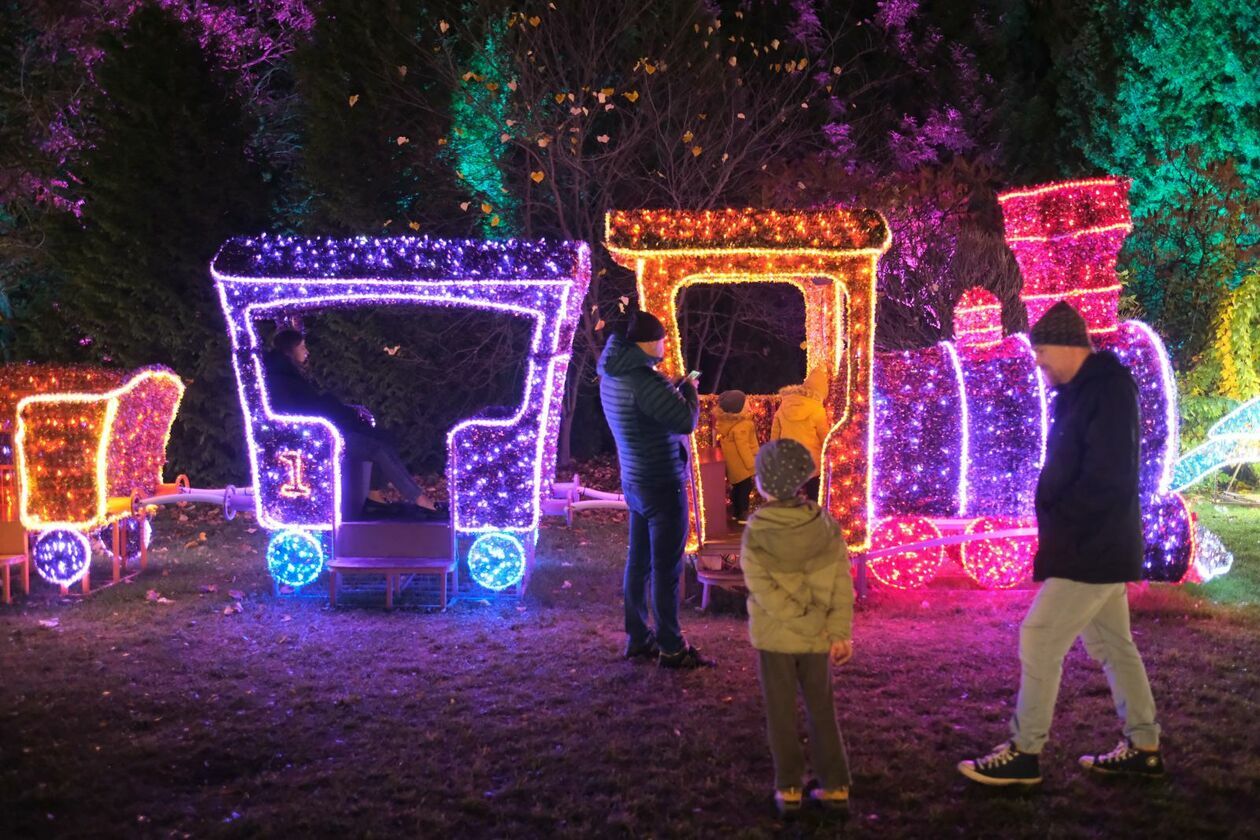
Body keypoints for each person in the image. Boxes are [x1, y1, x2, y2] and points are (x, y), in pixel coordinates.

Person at [957, 301, 1165, 786]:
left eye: (1042, 350)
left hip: (1092, 546)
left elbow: (1107, 476)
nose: (1038, 361)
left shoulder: (1107, 392)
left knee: (1040, 637)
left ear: (1068, 346)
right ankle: (1144, 746)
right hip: (1094, 543)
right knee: (1114, 645)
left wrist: (1064, 521)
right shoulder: (1079, 392)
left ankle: (1025, 752)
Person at [740, 438, 854, 815]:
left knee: (781, 712)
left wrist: (804, 622)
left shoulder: (756, 532)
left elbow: (764, 590)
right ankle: (835, 783)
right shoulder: (825, 527)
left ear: (763, 483)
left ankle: (789, 786)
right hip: (819, 639)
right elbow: (841, 583)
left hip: (777, 640)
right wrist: (836, 631)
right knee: (822, 708)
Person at [598, 311, 712, 669]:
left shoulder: (613, 375)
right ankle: (672, 646)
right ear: (647, 343)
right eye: (661, 339)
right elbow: (684, 421)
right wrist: (690, 392)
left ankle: (638, 637)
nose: (664, 345)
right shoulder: (646, 381)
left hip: (634, 481)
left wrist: (671, 391)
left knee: (639, 563)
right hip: (662, 484)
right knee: (666, 568)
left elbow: (647, 412)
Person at [262, 329, 437, 518]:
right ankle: (420, 500)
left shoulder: (289, 374)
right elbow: (309, 408)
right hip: (315, 436)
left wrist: (345, 412)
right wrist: (341, 411)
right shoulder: (282, 379)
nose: (307, 352)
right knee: (377, 448)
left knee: (383, 437)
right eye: (302, 347)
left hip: (325, 429)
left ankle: (374, 499)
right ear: (290, 350)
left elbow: (316, 404)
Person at [770, 366, 830, 502]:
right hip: (810, 460)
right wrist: (828, 454)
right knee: (813, 493)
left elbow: (775, 430)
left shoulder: (785, 403)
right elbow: (824, 436)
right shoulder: (817, 409)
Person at [714, 389, 758, 523]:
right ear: (739, 408)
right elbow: (743, 448)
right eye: (746, 403)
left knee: (737, 488)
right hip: (743, 466)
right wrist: (752, 465)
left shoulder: (726, 424)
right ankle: (743, 514)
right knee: (745, 489)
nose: (749, 404)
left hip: (733, 466)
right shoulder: (743, 425)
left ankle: (736, 512)